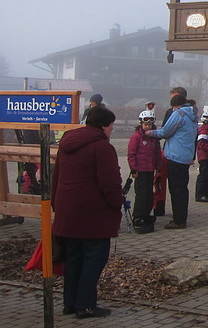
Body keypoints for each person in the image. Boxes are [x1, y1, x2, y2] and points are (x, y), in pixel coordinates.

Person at [52, 106, 122, 319]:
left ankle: (70, 303)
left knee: (74, 259)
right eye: (111, 126)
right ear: (103, 125)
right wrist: (116, 204)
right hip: (93, 216)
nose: (112, 130)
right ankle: (86, 305)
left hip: (68, 213)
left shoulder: (66, 144)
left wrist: (56, 204)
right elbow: (109, 183)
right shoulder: (102, 148)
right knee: (93, 260)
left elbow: (56, 176)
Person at [147, 94, 197, 229]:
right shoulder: (192, 115)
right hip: (186, 155)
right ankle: (181, 217)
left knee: (176, 189)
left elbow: (165, 132)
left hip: (175, 155)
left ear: (174, 106)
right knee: (182, 188)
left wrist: (150, 133)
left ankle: (178, 220)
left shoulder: (178, 114)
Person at [127, 110, 161, 233]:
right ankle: (138, 216)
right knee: (141, 194)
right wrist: (133, 169)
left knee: (149, 194)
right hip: (140, 170)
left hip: (150, 169)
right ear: (141, 124)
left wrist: (158, 167)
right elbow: (131, 154)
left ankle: (146, 214)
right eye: (145, 124)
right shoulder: (136, 137)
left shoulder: (153, 138)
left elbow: (157, 153)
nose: (147, 127)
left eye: (150, 125)